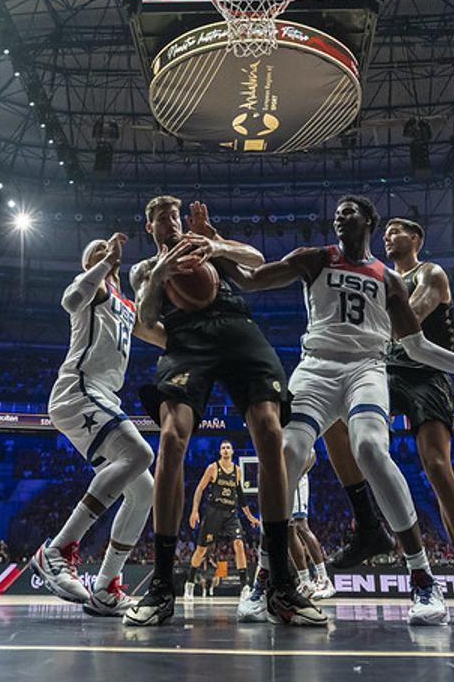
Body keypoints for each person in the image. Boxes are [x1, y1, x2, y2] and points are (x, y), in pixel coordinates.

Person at [226, 195, 454, 625]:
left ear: (368, 219)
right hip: (316, 367)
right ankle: (266, 575)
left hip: (368, 368)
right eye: (336, 211)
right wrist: (214, 249)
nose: (340, 215)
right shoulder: (315, 258)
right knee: (287, 453)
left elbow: (418, 345)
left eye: (350, 210)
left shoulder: (392, 279)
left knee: (371, 448)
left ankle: (423, 577)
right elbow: (250, 280)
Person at [126, 198, 316, 626]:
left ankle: (281, 584)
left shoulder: (204, 247)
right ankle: (162, 586)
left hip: (237, 329)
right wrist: (160, 275)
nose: (171, 223)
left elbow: (255, 264)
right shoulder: (144, 269)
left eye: (174, 216)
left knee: (269, 431)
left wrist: (218, 244)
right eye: (161, 219)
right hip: (186, 340)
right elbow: (146, 319)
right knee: (171, 437)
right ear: (149, 227)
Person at [322, 217, 454, 621]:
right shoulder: (380, 278)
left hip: (428, 374)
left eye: (396, 230)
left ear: (415, 238)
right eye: (385, 232)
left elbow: (408, 320)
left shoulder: (430, 273)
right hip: (387, 371)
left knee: (436, 466)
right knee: (334, 420)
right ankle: (368, 524)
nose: (387, 235)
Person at [33, 232, 165, 617]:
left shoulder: (125, 304)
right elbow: (70, 300)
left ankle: (106, 587)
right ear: (89, 264)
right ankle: (57, 549)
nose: (104, 252)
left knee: (144, 492)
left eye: (107, 251)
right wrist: (105, 262)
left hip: (102, 396)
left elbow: (162, 337)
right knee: (140, 453)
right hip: (79, 388)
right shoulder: (89, 288)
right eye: (96, 251)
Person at [185, 440, 259, 601]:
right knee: (201, 550)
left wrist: (250, 516)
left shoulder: (237, 470)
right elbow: (199, 489)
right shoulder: (213, 468)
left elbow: (240, 495)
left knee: (239, 544)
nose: (225, 450)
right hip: (214, 512)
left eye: (228, 448)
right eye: (223, 448)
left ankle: (244, 586)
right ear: (220, 452)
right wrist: (194, 510)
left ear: (232, 451)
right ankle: (189, 583)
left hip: (231, 513)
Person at [287, 451, 334, 600]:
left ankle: (324, 579)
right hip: (284, 480)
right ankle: (305, 582)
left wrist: (297, 474)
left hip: (295, 480)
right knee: (288, 530)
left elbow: (312, 454)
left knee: (301, 526)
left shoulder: (297, 437)